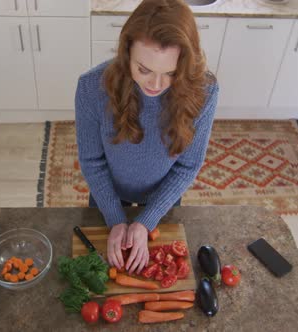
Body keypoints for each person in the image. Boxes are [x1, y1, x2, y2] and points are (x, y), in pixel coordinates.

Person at [74, 0, 219, 275]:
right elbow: (92, 161)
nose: (155, 85)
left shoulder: (206, 91)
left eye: (170, 73)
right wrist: (115, 218)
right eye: (144, 69)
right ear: (126, 53)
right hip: (108, 193)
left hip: (163, 195)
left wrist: (146, 221)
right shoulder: (91, 88)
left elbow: (187, 166)